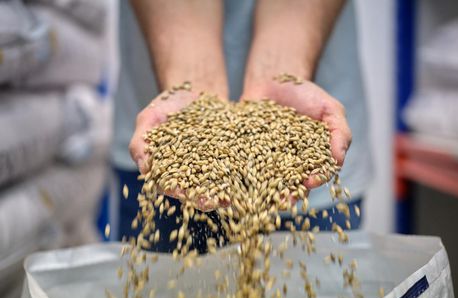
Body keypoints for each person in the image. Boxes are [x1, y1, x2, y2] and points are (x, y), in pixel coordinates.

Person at [111, 0, 372, 251]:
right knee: (156, 290)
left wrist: (282, 70)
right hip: (161, 156)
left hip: (311, 173)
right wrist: (190, 79)